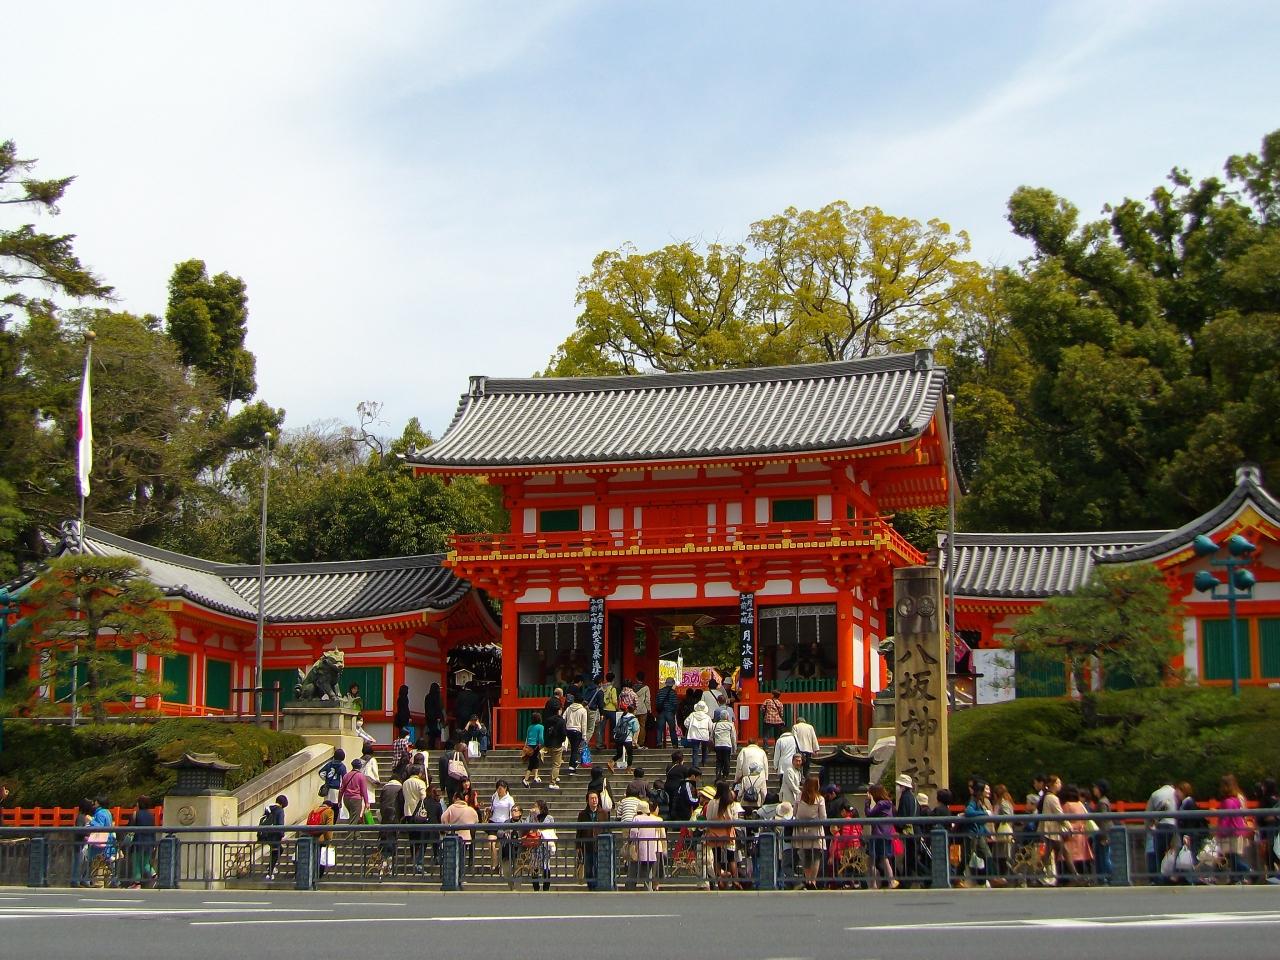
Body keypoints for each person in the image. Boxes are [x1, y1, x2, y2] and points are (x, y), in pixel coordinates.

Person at [793, 776, 828, 889]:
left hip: (802, 831)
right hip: (815, 831)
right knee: (816, 856)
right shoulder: (820, 799)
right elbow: (823, 817)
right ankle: (813, 881)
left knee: (806, 855)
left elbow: (794, 813)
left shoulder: (799, 796)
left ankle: (807, 880)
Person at [1217, 773, 1253, 881]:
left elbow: (1225, 819)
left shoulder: (1227, 802)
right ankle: (1236, 878)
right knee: (1233, 857)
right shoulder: (1236, 800)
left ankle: (1249, 871)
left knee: (1233, 858)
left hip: (1231, 833)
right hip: (1237, 831)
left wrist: (1219, 833)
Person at [1039, 774, 1073, 883]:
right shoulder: (1052, 798)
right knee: (1062, 852)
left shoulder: (1047, 796)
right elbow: (1060, 815)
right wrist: (1069, 826)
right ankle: (1075, 876)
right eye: (1058, 782)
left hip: (1050, 830)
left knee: (1049, 855)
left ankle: (1037, 875)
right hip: (1051, 831)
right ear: (1052, 784)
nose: (1060, 785)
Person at [441, 789, 480, 880]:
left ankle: (451, 877)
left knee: (452, 858)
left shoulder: (451, 808)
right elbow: (476, 820)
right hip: (465, 837)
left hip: (452, 836)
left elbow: (443, 818)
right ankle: (460, 876)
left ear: (456, 798)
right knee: (462, 858)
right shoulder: (470, 809)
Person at [865, 783, 899, 890]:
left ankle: (874, 884)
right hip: (886, 834)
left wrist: (867, 802)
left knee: (872, 860)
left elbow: (869, 814)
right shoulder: (888, 804)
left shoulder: (880, 804)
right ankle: (890, 881)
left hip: (878, 834)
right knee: (884, 858)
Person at [1145, 779, 1180, 882]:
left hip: (1161, 826)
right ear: (1172, 785)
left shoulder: (1155, 794)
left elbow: (1147, 814)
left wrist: (1148, 829)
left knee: (1158, 853)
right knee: (1175, 852)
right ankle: (1174, 876)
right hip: (1176, 825)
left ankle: (1157, 878)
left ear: (1160, 785)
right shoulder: (1176, 793)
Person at [629, 799, 666, 890]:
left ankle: (631, 887)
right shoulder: (654, 819)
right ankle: (648, 889)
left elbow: (633, 833)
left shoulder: (637, 818)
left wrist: (632, 842)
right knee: (649, 872)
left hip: (639, 848)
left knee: (634, 869)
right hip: (653, 849)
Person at [1060, 784, 1094, 883]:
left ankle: (1070, 879)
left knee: (1068, 857)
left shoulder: (1066, 805)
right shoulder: (1080, 804)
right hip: (1081, 834)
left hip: (1070, 835)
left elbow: (1063, 820)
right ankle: (1085, 878)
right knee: (1081, 858)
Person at [400, 764, 431, 874]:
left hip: (408, 812)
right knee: (422, 839)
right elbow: (423, 797)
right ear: (419, 773)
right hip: (419, 814)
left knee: (412, 838)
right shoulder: (420, 782)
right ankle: (419, 862)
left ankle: (413, 857)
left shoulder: (405, 783)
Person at [962, 780, 994, 886]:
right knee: (967, 857)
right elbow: (968, 812)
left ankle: (989, 878)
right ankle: (958, 878)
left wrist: (987, 832)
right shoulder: (973, 801)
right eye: (985, 789)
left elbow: (979, 822)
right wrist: (984, 813)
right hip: (972, 833)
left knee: (986, 855)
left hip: (978, 833)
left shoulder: (978, 801)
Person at [485, 778, 517, 874]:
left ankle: (502, 864)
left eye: (500, 789)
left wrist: (510, 825)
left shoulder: (510, 799)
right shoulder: (494, 796)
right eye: (498, 789)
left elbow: (512, 813)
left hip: (504, 823)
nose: (499, 791)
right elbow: (493, 807)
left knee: (502, 845)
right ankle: (495, 864)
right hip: (493, 822)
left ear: (505, 788)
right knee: (490, 842)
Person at [894, 773, 920, 886]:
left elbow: (902, 815)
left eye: (900, 785)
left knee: (911, 858)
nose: (899, 788)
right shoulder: (913, 798)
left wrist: (898, 827)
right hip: (915, 829)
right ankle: (907, 881)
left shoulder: (904, 798)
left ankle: (911, 880)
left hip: (909, 831)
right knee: (911, 857)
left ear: (903, 786)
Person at [526, 799, 557, 891]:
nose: (534, 808)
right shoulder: (531, 816)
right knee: (534, 865)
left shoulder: (549, 818)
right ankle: (536, 887)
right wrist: (533, 816)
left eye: (536, 806)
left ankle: (546, 887)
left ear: (541, 807)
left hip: (545, 845)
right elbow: (527, 826)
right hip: (534, 845)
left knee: (546, 865)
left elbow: (547, 829)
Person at [255, 794, 287, 882]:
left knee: (276, 850)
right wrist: (282, 835)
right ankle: (270, 872)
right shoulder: (280, 810)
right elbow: (280, 824)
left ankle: (270, 868)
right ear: (283, 804)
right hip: (274, 835)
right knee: (277, 852)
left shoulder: (269, 808)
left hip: (265, 835)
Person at [577, 790, 605, 890]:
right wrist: (578, 846)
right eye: (592, 798)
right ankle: (591, 886)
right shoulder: (583, 814)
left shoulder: (603, 813)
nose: (594, 800)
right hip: (587, 845)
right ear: (587, 801)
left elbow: (607, 829)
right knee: (588, 868)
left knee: (598, 867)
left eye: (596, 798)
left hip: (599, 845)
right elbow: (579, 831)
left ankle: (597, 886)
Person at [305, 799, 335, 879]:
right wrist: (329, 841)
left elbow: (307, 824)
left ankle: (311, 875)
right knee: (321, 859)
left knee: (313, 857)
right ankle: (318, 876)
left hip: (311, 838)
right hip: (322, 839)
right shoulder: (329, 811)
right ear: (330, 806)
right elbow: (329, 828)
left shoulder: (313, 811)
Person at [991, 783, 1017, 878]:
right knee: (1002, 856)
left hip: (1004, 833)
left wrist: (997, 819)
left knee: (1004, 856)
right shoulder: (1004, 803)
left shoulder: (1003, 803)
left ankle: (1008, 877)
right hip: (1001, 833)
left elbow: (1007, 816)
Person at [1089, 780, 1112, 883]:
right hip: (1102, 833)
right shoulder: (1103, 801)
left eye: (1095, 787)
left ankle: (1109, 877)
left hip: (1103, 834)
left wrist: (1104, 836)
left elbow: (1104, 821)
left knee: (1104, 857)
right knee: (1102, 857)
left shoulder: (1102, 802)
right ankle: (1103, 878)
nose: (1094, 789)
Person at [542, 703, 567, 790]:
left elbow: (545, 732)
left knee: (553, 762)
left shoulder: (547, 720)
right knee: (556, 764)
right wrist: (562, 741)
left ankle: (555, 776)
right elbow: (563, 734)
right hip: (557, 744)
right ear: (558, 711)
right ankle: (553, 782)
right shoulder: (561, 721)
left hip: (548, 744)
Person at [339, 757, 370, 824]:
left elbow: (341, 789)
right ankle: (351, 831)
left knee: (352, 816)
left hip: (346, 799)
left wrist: (339, 801)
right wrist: (366, 802)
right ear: (360, 766)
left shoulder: (346, 775)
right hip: (356, 799)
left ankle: (354, 831)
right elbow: (364, 790)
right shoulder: (361, 776)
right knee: (355, 818)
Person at [610, 704, 639, 773]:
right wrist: (635, 741)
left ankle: (611, 762)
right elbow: (635, 729)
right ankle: (628, 769)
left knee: (619, 753)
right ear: (634, 711)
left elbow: (616, 728)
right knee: (630, 754)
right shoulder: (634, 719)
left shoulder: (622, 718)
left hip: (619, 738)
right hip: (627, 738)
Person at [685, 701, 712, 769]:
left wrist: (690, 728)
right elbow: (711, 727)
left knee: (695, 750)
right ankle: (704, 762)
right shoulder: (707, 717)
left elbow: (686, 723)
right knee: (704, 749)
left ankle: (695, 765)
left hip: (694, 734)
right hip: (704, 734)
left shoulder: (692, 715)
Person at [563, 694, 587, 772]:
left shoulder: (568, 708)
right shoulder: (583, 710)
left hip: (568, 730)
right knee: (575, 749)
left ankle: (573, 763)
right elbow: (584, 724)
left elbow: (563, 717)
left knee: (573, 748)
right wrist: (584, 736)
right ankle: (572, 766)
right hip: (577, 731)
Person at [654, 677, 680, 748]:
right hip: (670, 712)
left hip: (661, 712)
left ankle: (659, 743)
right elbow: (675, 704)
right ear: (672, 684)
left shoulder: (660, 691)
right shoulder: (673, 692)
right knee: (672, 729)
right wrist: (674, 712)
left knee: (660, 729)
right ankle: (674, 744)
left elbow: (657, 702)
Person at [712, 708, 737, 780]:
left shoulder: (715, 725)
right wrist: (734, 747)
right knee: (726, 760)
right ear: (727, 716)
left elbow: (712, 736)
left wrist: (713, 743)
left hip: (718, 744)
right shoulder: (730, 725)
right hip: (727, 744)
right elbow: (733, 737)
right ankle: (725, 775)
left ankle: (718, 774)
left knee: (719, 760)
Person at [523, 713, 545, 787]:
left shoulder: (529, 727)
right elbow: (541, 737)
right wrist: (542, 743)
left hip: (529, 746)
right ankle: (529, 778)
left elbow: (527, 737)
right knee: (534, 762)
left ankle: (534, 777)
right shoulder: (541, 727)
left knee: (533, 761)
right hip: (536, 745)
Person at [424, 682, 446, 750]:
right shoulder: (437, 696)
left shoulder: (427, 696)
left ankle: (430, 746)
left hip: (429, 717)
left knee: (431, 733)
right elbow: (438, 707)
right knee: (437, 733)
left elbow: (426, 708)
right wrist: (439, 717)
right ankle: (437, 746)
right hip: (436, 718)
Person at [585, 676, 605, 749]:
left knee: (585, 728)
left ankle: (580, 744)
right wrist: (602, 714)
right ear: (600, 683)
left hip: (585, 709)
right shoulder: (599, 691)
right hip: (592, 711)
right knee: (590, 729)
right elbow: (600, 704)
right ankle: (583, 745)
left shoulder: (589, 689)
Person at [602, 672, 619, 747]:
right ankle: (615, 743)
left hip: (603, 709)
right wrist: (618, 708)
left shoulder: (603, 687)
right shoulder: (613, 689)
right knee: (615, 728)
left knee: (602, 728)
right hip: (612, 710)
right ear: (613, 680)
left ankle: (601, 743)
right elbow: (614, 701)